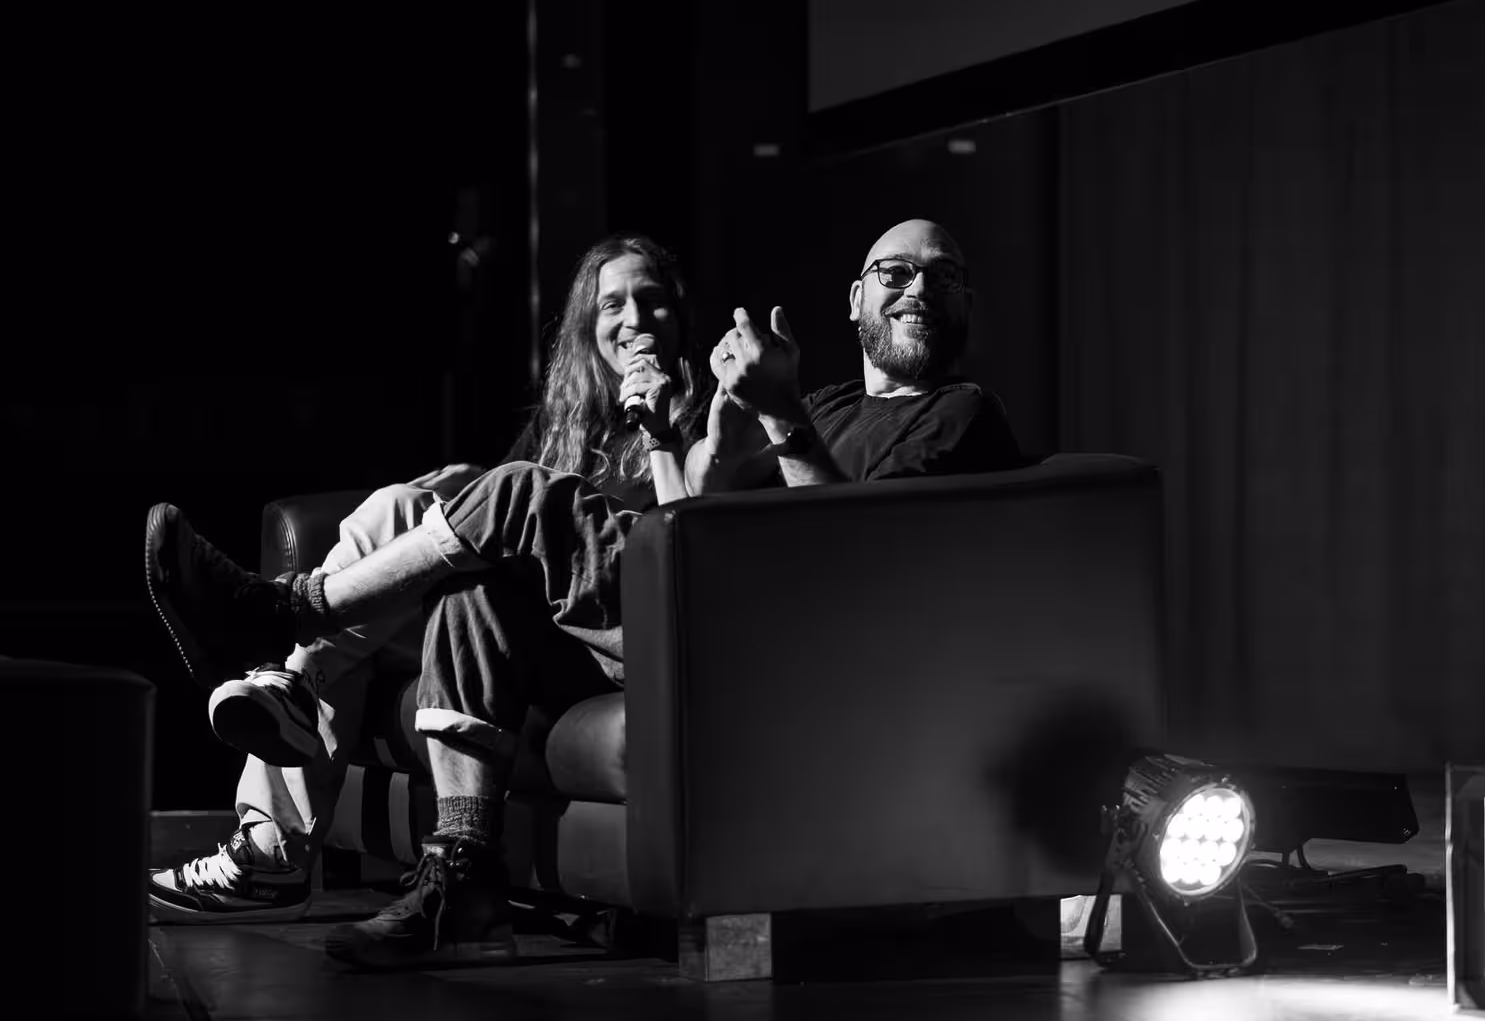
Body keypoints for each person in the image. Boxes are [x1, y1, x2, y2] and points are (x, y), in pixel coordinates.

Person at [142, 218, 1021, 967]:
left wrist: (731, 424)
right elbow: (702, 514)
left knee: (521, 492)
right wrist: (729, 424)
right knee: (469, 589)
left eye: (943, 275)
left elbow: (862, 570)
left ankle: (286, 615)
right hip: (666, 613)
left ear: (972, 305)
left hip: (752, 644)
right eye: (895, 272)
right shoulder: (822, 404)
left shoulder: (958, 414)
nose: (918, 287)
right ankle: (463, 883)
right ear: (856, 300)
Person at [147, 232, 708, 924]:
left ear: (681, 318)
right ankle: (286, 713)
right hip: (506, 624)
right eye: (613, 305)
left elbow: (694, 544)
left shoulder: (710, 417)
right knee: (396, 506)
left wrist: (659, 433)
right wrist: (461, 488)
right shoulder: (567, 433)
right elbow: (497, 525)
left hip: (604, 636)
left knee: (400, 568)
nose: (635, 321)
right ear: (587, 331)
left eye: (653, 302)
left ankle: (281, 643)